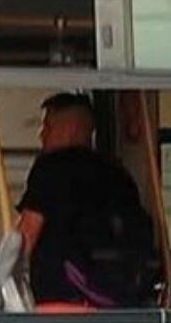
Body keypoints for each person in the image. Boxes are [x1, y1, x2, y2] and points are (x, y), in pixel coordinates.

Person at [14, 93, 158, 310]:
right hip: (116, 305)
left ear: (70, 129)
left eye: (48, 126)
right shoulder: (119, 176)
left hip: (63, 301)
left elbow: (26, 236)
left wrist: (7, 280)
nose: (42, 134)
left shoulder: (52, 168)